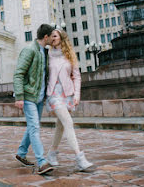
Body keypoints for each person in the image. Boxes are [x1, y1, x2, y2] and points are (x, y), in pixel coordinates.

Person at [45, 28, 93, 171]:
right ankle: (80, 158)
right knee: (68, 122)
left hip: (67, 94)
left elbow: (76, 76)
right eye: (51, 36)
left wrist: (77, 95)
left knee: (60, 125)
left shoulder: (70, 55)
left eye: (55, 36)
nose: (52, 38)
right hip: (53, 94)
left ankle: (51, 154)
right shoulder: (47, 55)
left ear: (61, 38)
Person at [14, 24, 54, 175]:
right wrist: (19, 97)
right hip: (29, 96)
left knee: (32, 126)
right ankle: (42, 162)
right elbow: (18, 74)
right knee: (35, 127)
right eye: (51, 36)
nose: (52, 38)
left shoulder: (45, 52)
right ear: (46, 37)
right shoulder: (29, 50)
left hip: (39, 97)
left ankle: (21, 153)